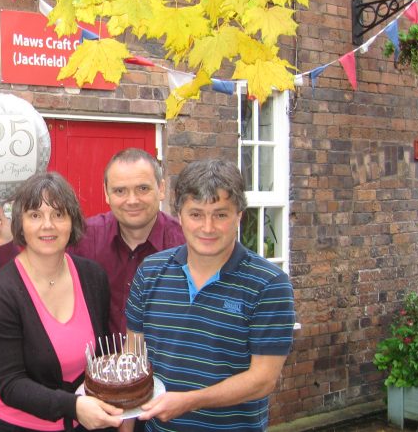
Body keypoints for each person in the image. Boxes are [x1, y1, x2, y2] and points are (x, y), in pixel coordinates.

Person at [122, 159, 296, 432]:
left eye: (220, 214)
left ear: (239, 215)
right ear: (179, 215)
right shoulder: (150, 271)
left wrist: (189, 401)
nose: (207, 227)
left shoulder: (269, 285)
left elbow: (263, 379)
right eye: (196, 214)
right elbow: (133, 359)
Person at [0, 172, 124, 432]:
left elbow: (100, 355)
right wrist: (73, 406)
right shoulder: (0, 292)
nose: (47, 225)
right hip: (10, 423)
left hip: (79, 420)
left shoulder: (92, 277)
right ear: (20, 223)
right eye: (35, 215)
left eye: (58, 214)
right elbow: (10, 384)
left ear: (72, 221)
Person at [0, 148, 185, 335]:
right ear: (106, 193)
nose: (132, 200)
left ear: (161, 189)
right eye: (120, 191)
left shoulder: (185, 245)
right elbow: (34, 280)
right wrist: (5, 245)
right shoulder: (85, 238)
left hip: (165, 371)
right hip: (92, 370)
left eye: (142, 188)